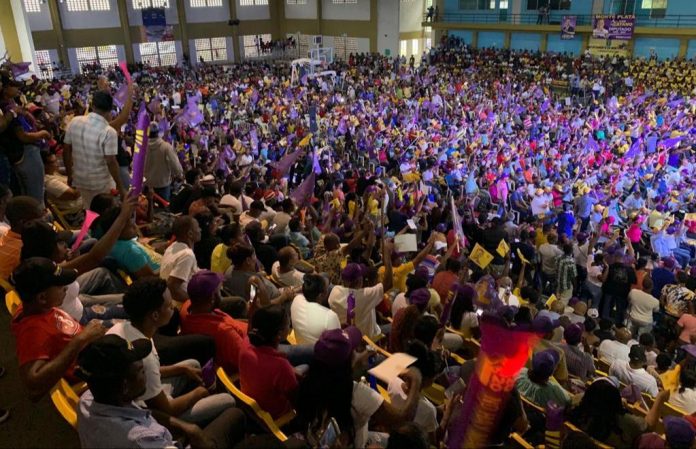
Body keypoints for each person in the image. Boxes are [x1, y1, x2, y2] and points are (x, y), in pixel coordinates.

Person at [75, 335, 246, 449]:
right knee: (235, 415)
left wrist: (186, 427)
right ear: (125, 386)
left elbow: (142, 411)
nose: (145, 373)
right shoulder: (143, 440)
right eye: (141, 371)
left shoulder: (88, 399)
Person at [107, 277, 236, 425]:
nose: (174, 308)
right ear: (155, 315)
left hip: (144, 396)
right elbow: (167, 410)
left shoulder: (121, 328)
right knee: (228, 400)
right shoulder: (145, 357)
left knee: (192, 364)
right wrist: (198, 393)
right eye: (169, 306)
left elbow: (151, 372)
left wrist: (181, 369)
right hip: (150, 414)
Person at [297, 326, 424, 448]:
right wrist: (416, 380)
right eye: (354, 350)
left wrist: (355, 364)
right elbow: (401, 420)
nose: (357, 351)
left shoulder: (307, 378)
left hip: (315, 440)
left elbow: (334, 376)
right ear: (348, 362)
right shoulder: (358, 394)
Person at [10, 257, 106, 401]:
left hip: (91, 342)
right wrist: (80, 340)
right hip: (95, 368)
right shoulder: (33, 330)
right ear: (42, 297)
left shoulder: (37, 308)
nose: (65, 288)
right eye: (60, 287)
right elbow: (32, 385)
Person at [63, 91, 126, 207]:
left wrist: (69, 174)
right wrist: (121, 187)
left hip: (80, 179)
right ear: (110, 109)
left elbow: (66, 150)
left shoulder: (74, 121)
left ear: (93, 106)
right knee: (102, 213)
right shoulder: (108, 132)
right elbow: (111, 161)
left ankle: (90, 219)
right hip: (101, 184)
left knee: (88, 208)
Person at [179, 270, 248, 374]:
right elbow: (246, 360)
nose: (221, 296)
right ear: (212, 297)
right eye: (219, 291)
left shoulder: (186, 308)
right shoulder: (223, 332)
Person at [569, 378, 669, 449]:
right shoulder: (624, 422)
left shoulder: (575, 404)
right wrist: (659, 399)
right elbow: (649, 426)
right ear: (616, 403)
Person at [238, 305, 298, 420]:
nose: (289, 326)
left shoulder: (245, 343)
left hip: (253, 401)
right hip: (275, 414)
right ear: (279, 334)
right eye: (288, 325)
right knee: (306, 367)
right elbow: (295, 398)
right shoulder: (281, 366)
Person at [328, 243, 394, 339]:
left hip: (347, 335)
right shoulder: (365, 295)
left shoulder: (335, 291)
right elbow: (389, 283)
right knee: (395, 326)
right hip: (369, 338)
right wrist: (387, 256)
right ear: (359, 280)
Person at [0, 195, 44, 279]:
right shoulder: (24, 249)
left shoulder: (6, 236)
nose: (44, 224)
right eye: (40, 220)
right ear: (24, 222)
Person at [290, 273, 340, 345]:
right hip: (318, 351)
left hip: (299, 343)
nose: (327, 290)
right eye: (326, 289)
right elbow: (337, 346)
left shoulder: (296, 300)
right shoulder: (330, 316)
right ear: (320, 295)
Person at [160, 216, 201, 303]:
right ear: (190, 234)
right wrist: (195, 303)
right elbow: (173, 288)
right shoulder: (187, 255)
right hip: (179, 304)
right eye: (198, 227)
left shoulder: (172, 246)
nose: (200, 230)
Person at [143, 122, 182, 201]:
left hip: (146, 185)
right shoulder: (166, 147)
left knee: (146, 206)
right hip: (162, 186)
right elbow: (176, 167)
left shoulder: (142, 147)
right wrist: (178, 174)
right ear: (158, 132)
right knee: (163, 207)